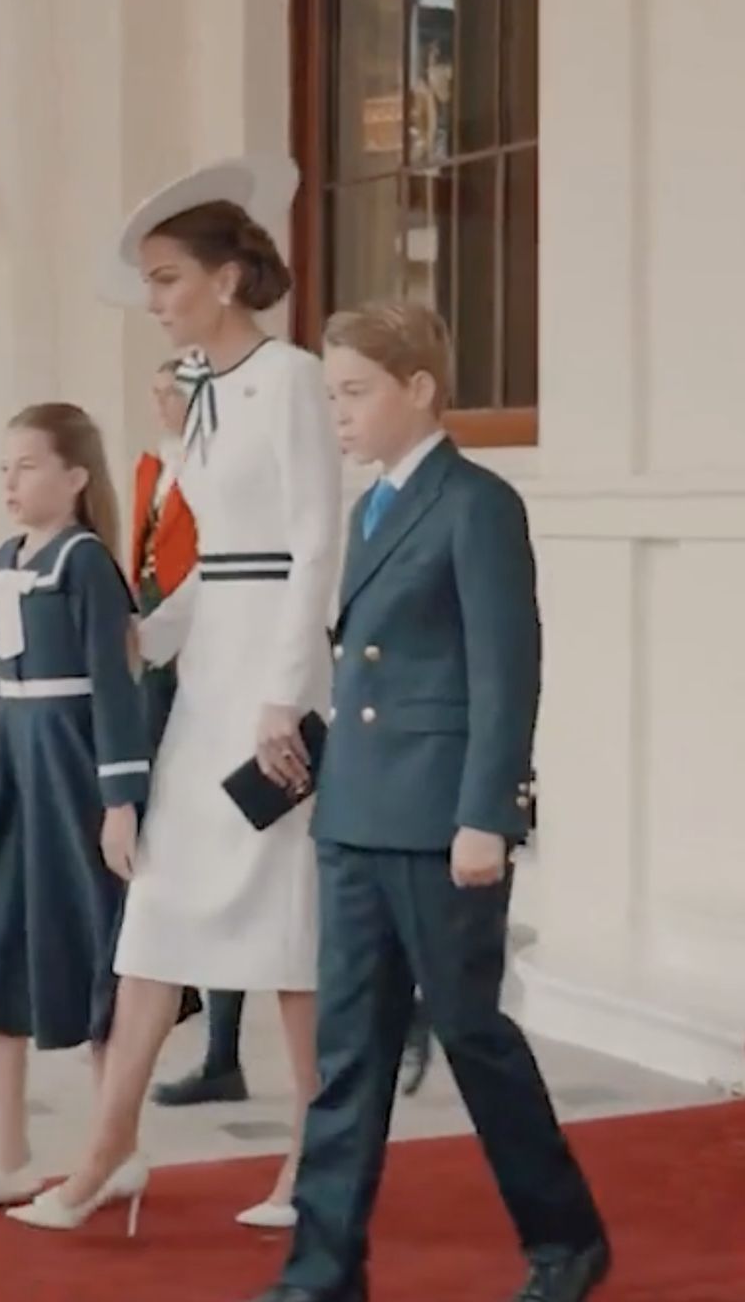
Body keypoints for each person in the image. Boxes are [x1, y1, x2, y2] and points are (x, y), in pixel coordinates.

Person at [244, 303, 610, 1302]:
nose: (338, 415)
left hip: (441, 822)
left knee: (472, 1035)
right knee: (347, 1054)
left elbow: (505, 674)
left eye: (355, 392)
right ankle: (319, 1274)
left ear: (418, 388)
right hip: (356, 817)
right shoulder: (372, 508)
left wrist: (487, 813)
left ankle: (566, 1239)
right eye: (329, 396)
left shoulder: (475, 502)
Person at [8, 154, 342, 1235]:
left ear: (228, 279)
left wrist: (285, 697)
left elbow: (310, 541)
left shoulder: (292, 376)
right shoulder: (200, 397)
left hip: (275, 683)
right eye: (150, 282)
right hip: (212, 680)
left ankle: (315, 1160)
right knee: (155, 902)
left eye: (166, 279)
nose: (153, 301)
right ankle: (107, 1150)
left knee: (288, 928)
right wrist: (152, 632)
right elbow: (215, 556)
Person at [0, 404, 151, 1225]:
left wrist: (120, 801)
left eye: (29, 466)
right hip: (19, 762)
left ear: (76, 477)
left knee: (96, 944)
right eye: (5, 467)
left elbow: (116, 690)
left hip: (74, 770)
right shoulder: (0, 560)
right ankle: (8, 1156)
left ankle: (112, 1151)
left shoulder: (85, 564)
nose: (11, 482)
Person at [132, 358, 249, 1103]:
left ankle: (220, 1046)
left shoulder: (230, 475)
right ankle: (179, 995)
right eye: (162, 387)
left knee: (231, 848)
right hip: (161, 645)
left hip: (214, 654)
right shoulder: (154, 466)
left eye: (178, 390)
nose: (164, 401)